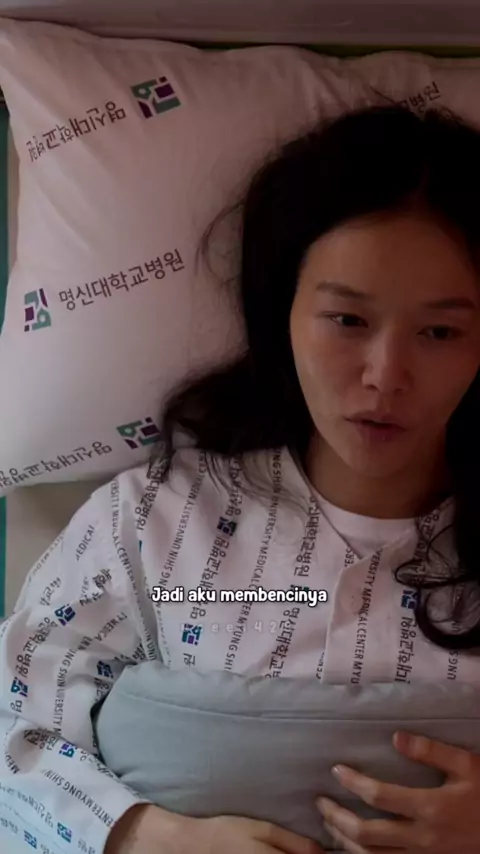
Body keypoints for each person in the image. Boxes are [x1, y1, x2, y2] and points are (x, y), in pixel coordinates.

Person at [1, 102, 480, 854]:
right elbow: (12, 721)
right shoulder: (154, 523)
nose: (386, 376)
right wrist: (142, 836)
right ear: (282, 312)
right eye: (347, 321)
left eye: (440, 332)